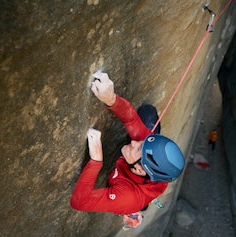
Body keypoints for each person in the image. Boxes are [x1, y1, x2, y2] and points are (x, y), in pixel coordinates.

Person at [70, 72, 185, 227]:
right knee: (147, 113)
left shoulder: (127, 197)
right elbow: (130, 118)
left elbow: (80, 202)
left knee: (135, 204)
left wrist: (96, 161)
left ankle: (136, 210)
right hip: (143, 183)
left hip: (131, 196)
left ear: (138, 169)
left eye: (139, 149)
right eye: (142, 143)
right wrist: (111, 99)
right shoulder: (146, 153)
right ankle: (138, 209)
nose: (135, 142)